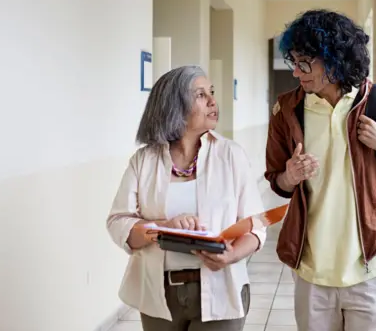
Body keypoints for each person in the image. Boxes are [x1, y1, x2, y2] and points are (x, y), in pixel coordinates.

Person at [264, 9, 376, 331]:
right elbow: (277, 182)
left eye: (304, 62)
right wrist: (290, 175)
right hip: (312, 271)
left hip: (370, 268)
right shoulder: (287, 110)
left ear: (334, 59)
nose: (296, 72)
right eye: (293, 62)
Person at [106, 65, 266, 331]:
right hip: (159, 295)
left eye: (211, 92)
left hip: (221, 289)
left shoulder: (231, 155)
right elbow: (118, 223)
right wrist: (162, 228)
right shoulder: (144, 161)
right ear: (174, 106)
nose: (213, 101)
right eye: (201, 95)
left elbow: (256, 226)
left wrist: (231, 255)